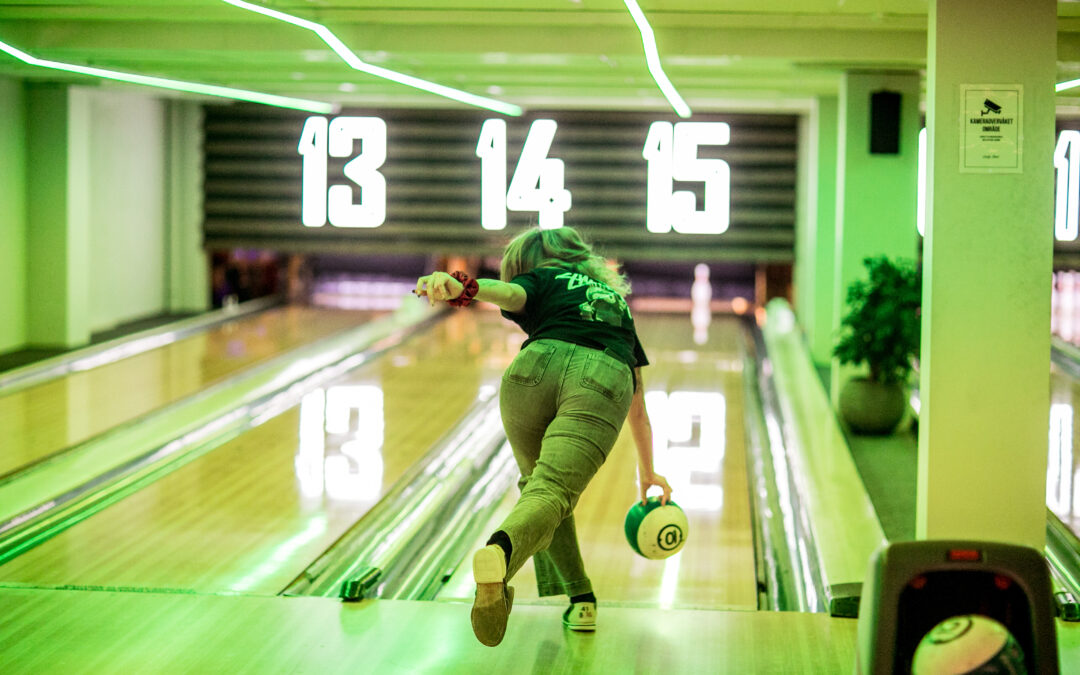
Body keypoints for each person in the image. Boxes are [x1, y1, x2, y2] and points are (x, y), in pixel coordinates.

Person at [414, 226, 672, 648]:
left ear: (526, 265)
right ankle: (499, 554)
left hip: (530, 371)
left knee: (542, 491)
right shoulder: (616, 304)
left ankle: (581, 599)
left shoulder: (542, 278)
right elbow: (638, 405)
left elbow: (511, 295)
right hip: (602, 375)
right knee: (552, 492)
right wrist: (648, 471)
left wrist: (466, 287)